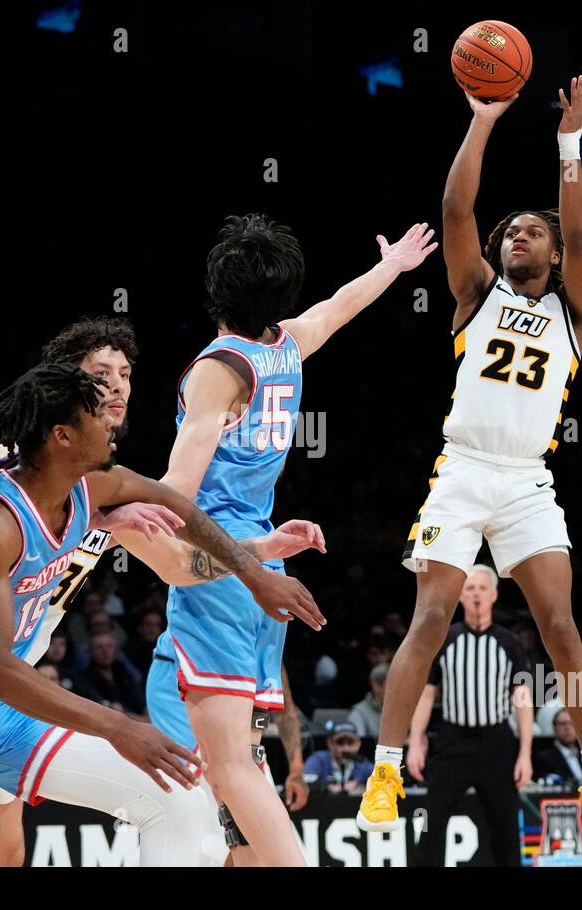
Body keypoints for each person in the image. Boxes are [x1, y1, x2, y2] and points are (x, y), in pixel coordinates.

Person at [0, 361, 320, 866]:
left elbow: (178, 508)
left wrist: (254, 572)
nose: (112, 418)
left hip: (6, 707)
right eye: (95, 412)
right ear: (62, 435)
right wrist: (119, 726)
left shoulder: (91, 487)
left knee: (180, 802)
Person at [358, 76, 582, 848]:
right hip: (463, 469)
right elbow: (455, 213)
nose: (518, 235)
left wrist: (568, 146)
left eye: (530, 232)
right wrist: (481, 122)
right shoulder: (475, 293)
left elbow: (581, 236)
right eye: (510, 229)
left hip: (527, 482)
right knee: (432, 617)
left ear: (551, 250)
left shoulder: (574, 309)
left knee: (560, 627)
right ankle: (385, 768)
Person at [151, 212, 436, 866]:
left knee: (226, 767)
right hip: (262, 558)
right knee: (233, 760)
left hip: (223, 565)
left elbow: (174, 495)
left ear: (216, 288)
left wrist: (106, 507)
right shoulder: (287, 346)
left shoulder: (218, 372)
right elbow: (340, 306)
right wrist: (390, 268)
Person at [406, 566, 534, 866]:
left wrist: (525, 752)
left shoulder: (509, 643)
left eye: (481, 588)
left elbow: (522, 697)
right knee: (432, 817)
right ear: (460, 595)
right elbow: (427, 693)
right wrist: (414, 742)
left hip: (496, 740)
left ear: (494, 595)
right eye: (470, 588)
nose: (476, 593)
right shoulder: (446, 639)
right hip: (454, 740)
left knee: (504, 823)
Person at [304, 722, 372, 794]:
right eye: (340, 742)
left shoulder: (363, 764)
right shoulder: (318, 760)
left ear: (358, 744)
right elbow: (306, 781)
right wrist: (326, 787)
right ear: (330, 743)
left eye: (350, 743)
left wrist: (360, 785)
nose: (345, 748)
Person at [534, 708, 582, 784]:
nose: (568, 727)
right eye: (563, 724)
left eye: (572, 723)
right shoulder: (543, 758)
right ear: (554, 728)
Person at [346, 663, 387, 739]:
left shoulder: (407, 710)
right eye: (393, 684)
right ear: (376, 685)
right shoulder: (358, 713)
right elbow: (359, 745)